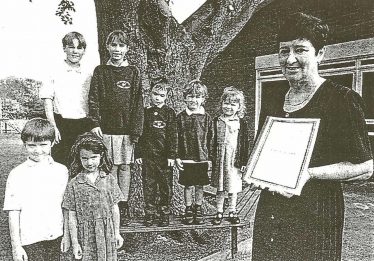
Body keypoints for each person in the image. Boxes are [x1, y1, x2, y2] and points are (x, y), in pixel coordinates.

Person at [251, 12, 373, 261]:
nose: (290, 59)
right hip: (271, 210)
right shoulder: (274, 100)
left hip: (315, 212)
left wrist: (308, 173)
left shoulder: (342, 99)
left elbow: (364, 167)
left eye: (300, 49)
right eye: (284, 51)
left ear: (320, 54)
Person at [89, 30, 144, 226]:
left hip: (126, 130)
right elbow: (93, 99)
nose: (117, 49)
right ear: (107, 47)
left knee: (125, 167)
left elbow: (138, 103)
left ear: (127, 49)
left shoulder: (133, 72)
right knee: (110, 167)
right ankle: (111, 204)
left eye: (121, 46)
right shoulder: (100, 71)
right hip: (106, 129)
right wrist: (95, 123)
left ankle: (123, 204)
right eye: (113, 45)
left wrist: (135, 131)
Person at [3, 118, 69, 261]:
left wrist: (67, 235)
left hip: (55, 235)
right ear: (24, 145)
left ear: (52, 143)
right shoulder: (17, 174)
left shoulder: (61, 171)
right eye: (32, 145)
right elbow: (13, 212)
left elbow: (66, 206)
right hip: (30, 239)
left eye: (43, 145)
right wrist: (16, 246)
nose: (38, 150)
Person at [62, 132, 124, 260]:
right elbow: (71, 215)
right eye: (84, 158)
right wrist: (75, 243)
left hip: (107, 233)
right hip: (84, 235)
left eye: (93, 157)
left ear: (101, 156)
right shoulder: (74, 183)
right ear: (79, 158)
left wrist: (117, 233)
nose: (89, 162)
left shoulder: (109, 179)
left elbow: (115, 209)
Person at [40, 31, 93, 166]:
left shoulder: (89, 73)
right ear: (64, 48)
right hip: (61, 124)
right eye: (71, 47)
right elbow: (47, 100)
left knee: (83, 164)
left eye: (79, 48)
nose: (75, 52)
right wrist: (53, 126)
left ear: (84, 51)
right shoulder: (54, 70)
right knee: (61, 164)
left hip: (83, 124)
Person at [135, 81, 177, 227]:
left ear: (166, 97)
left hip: (164, 158)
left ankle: (164, 213)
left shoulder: (169, 113)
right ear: (150, 94)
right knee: (149, 186)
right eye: (155, 94)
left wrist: (172, 155)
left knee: (165, 186)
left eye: (161, 95)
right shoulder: (146, 113)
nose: (158, 98)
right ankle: (150, 214)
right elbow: (141, 134)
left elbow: (172, 135)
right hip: (149, 156)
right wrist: (138, 154)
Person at [175, 79, 214, 225]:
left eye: (197, 96)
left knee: (200, 185)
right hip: (186, 158)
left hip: (202, 158)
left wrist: (210, 158)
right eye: (190, 96)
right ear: (185, 97)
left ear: (203, 99)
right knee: (188, 185)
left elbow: (211, 138)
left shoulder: (207, 118)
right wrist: (177, 156)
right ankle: (188, 208)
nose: (193, 100)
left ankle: (198, 208)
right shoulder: (180, 117)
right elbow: (175, 138)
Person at [211, 87, 250, 225]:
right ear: (221, 104)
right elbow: (212, 140)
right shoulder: (216, 121)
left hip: (234, 160)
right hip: (220, 158)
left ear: (239, 107)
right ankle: (219, 211)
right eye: (226, 103)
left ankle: (232, 210)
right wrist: (211, 158)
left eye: (233, 104)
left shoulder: (241, 123)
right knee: (220, 187)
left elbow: (245, 143)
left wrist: (244, 161)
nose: (229, 107)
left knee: (233, 187)